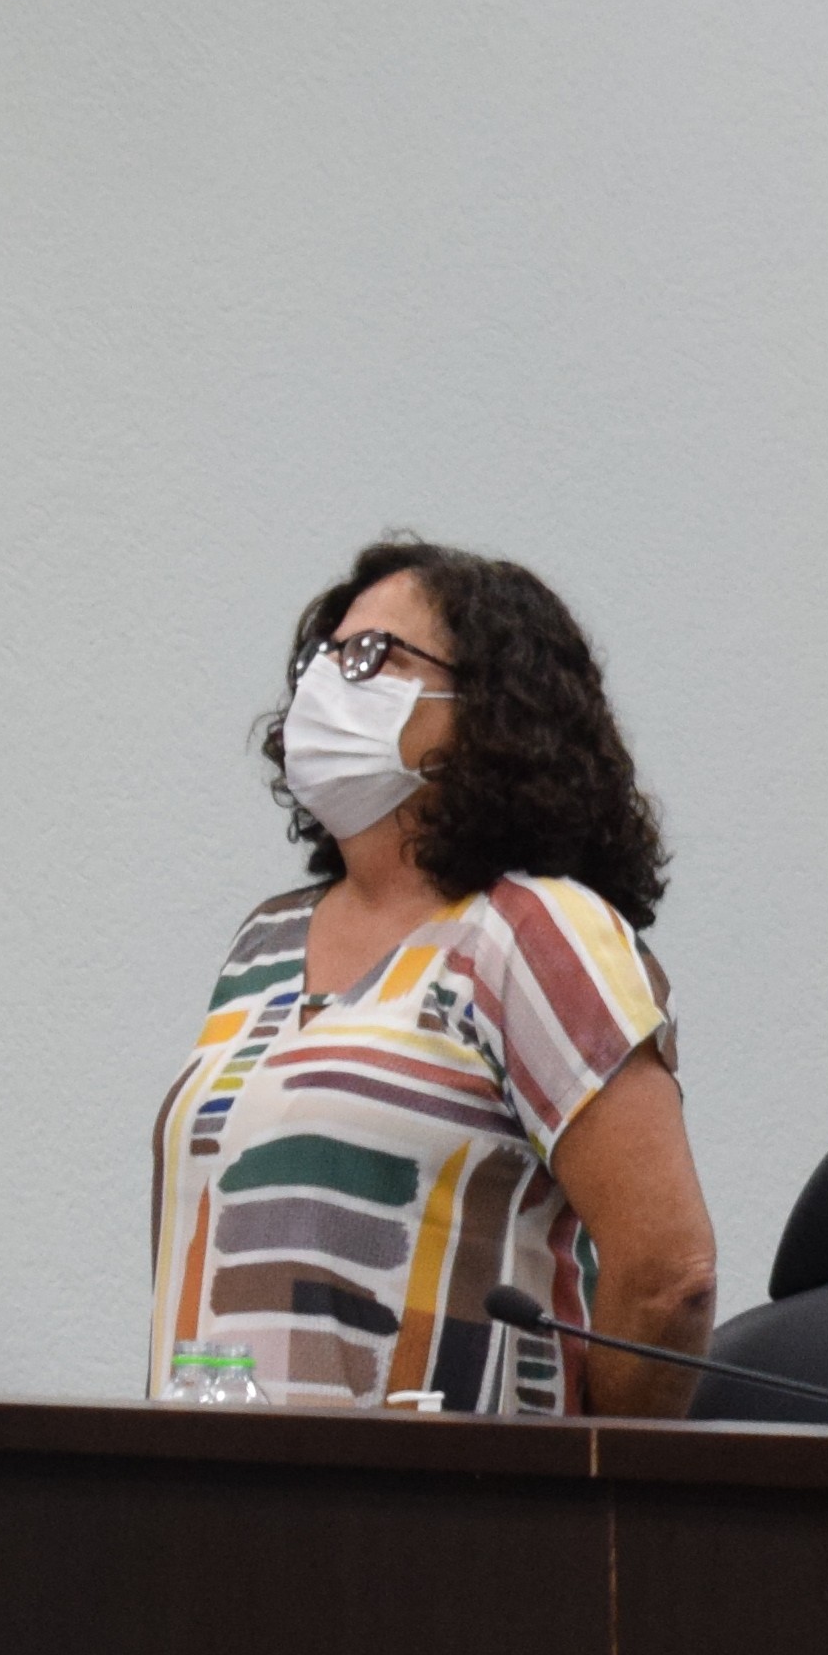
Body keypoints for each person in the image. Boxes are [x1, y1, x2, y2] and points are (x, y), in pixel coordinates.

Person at [149, 540, 720, 1417]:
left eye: (371, 656)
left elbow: (669, 1280)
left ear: (492, 711)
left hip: (450, 1498)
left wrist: (589, 1475)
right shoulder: (264, 941)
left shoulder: (535, 934)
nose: (327, 683)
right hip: (215, 1485)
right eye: (323, 658)